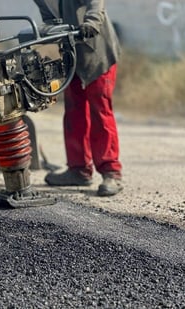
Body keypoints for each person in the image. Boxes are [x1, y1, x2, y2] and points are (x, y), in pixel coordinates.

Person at [33, 0, 123, 196]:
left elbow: (95, 3)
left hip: (96, 51)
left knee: (100, 111)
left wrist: (91, 22)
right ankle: (79, 169)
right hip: (72, 54)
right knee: (74, 110)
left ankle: (111, 172)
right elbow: (49, 19)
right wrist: (44, 33)